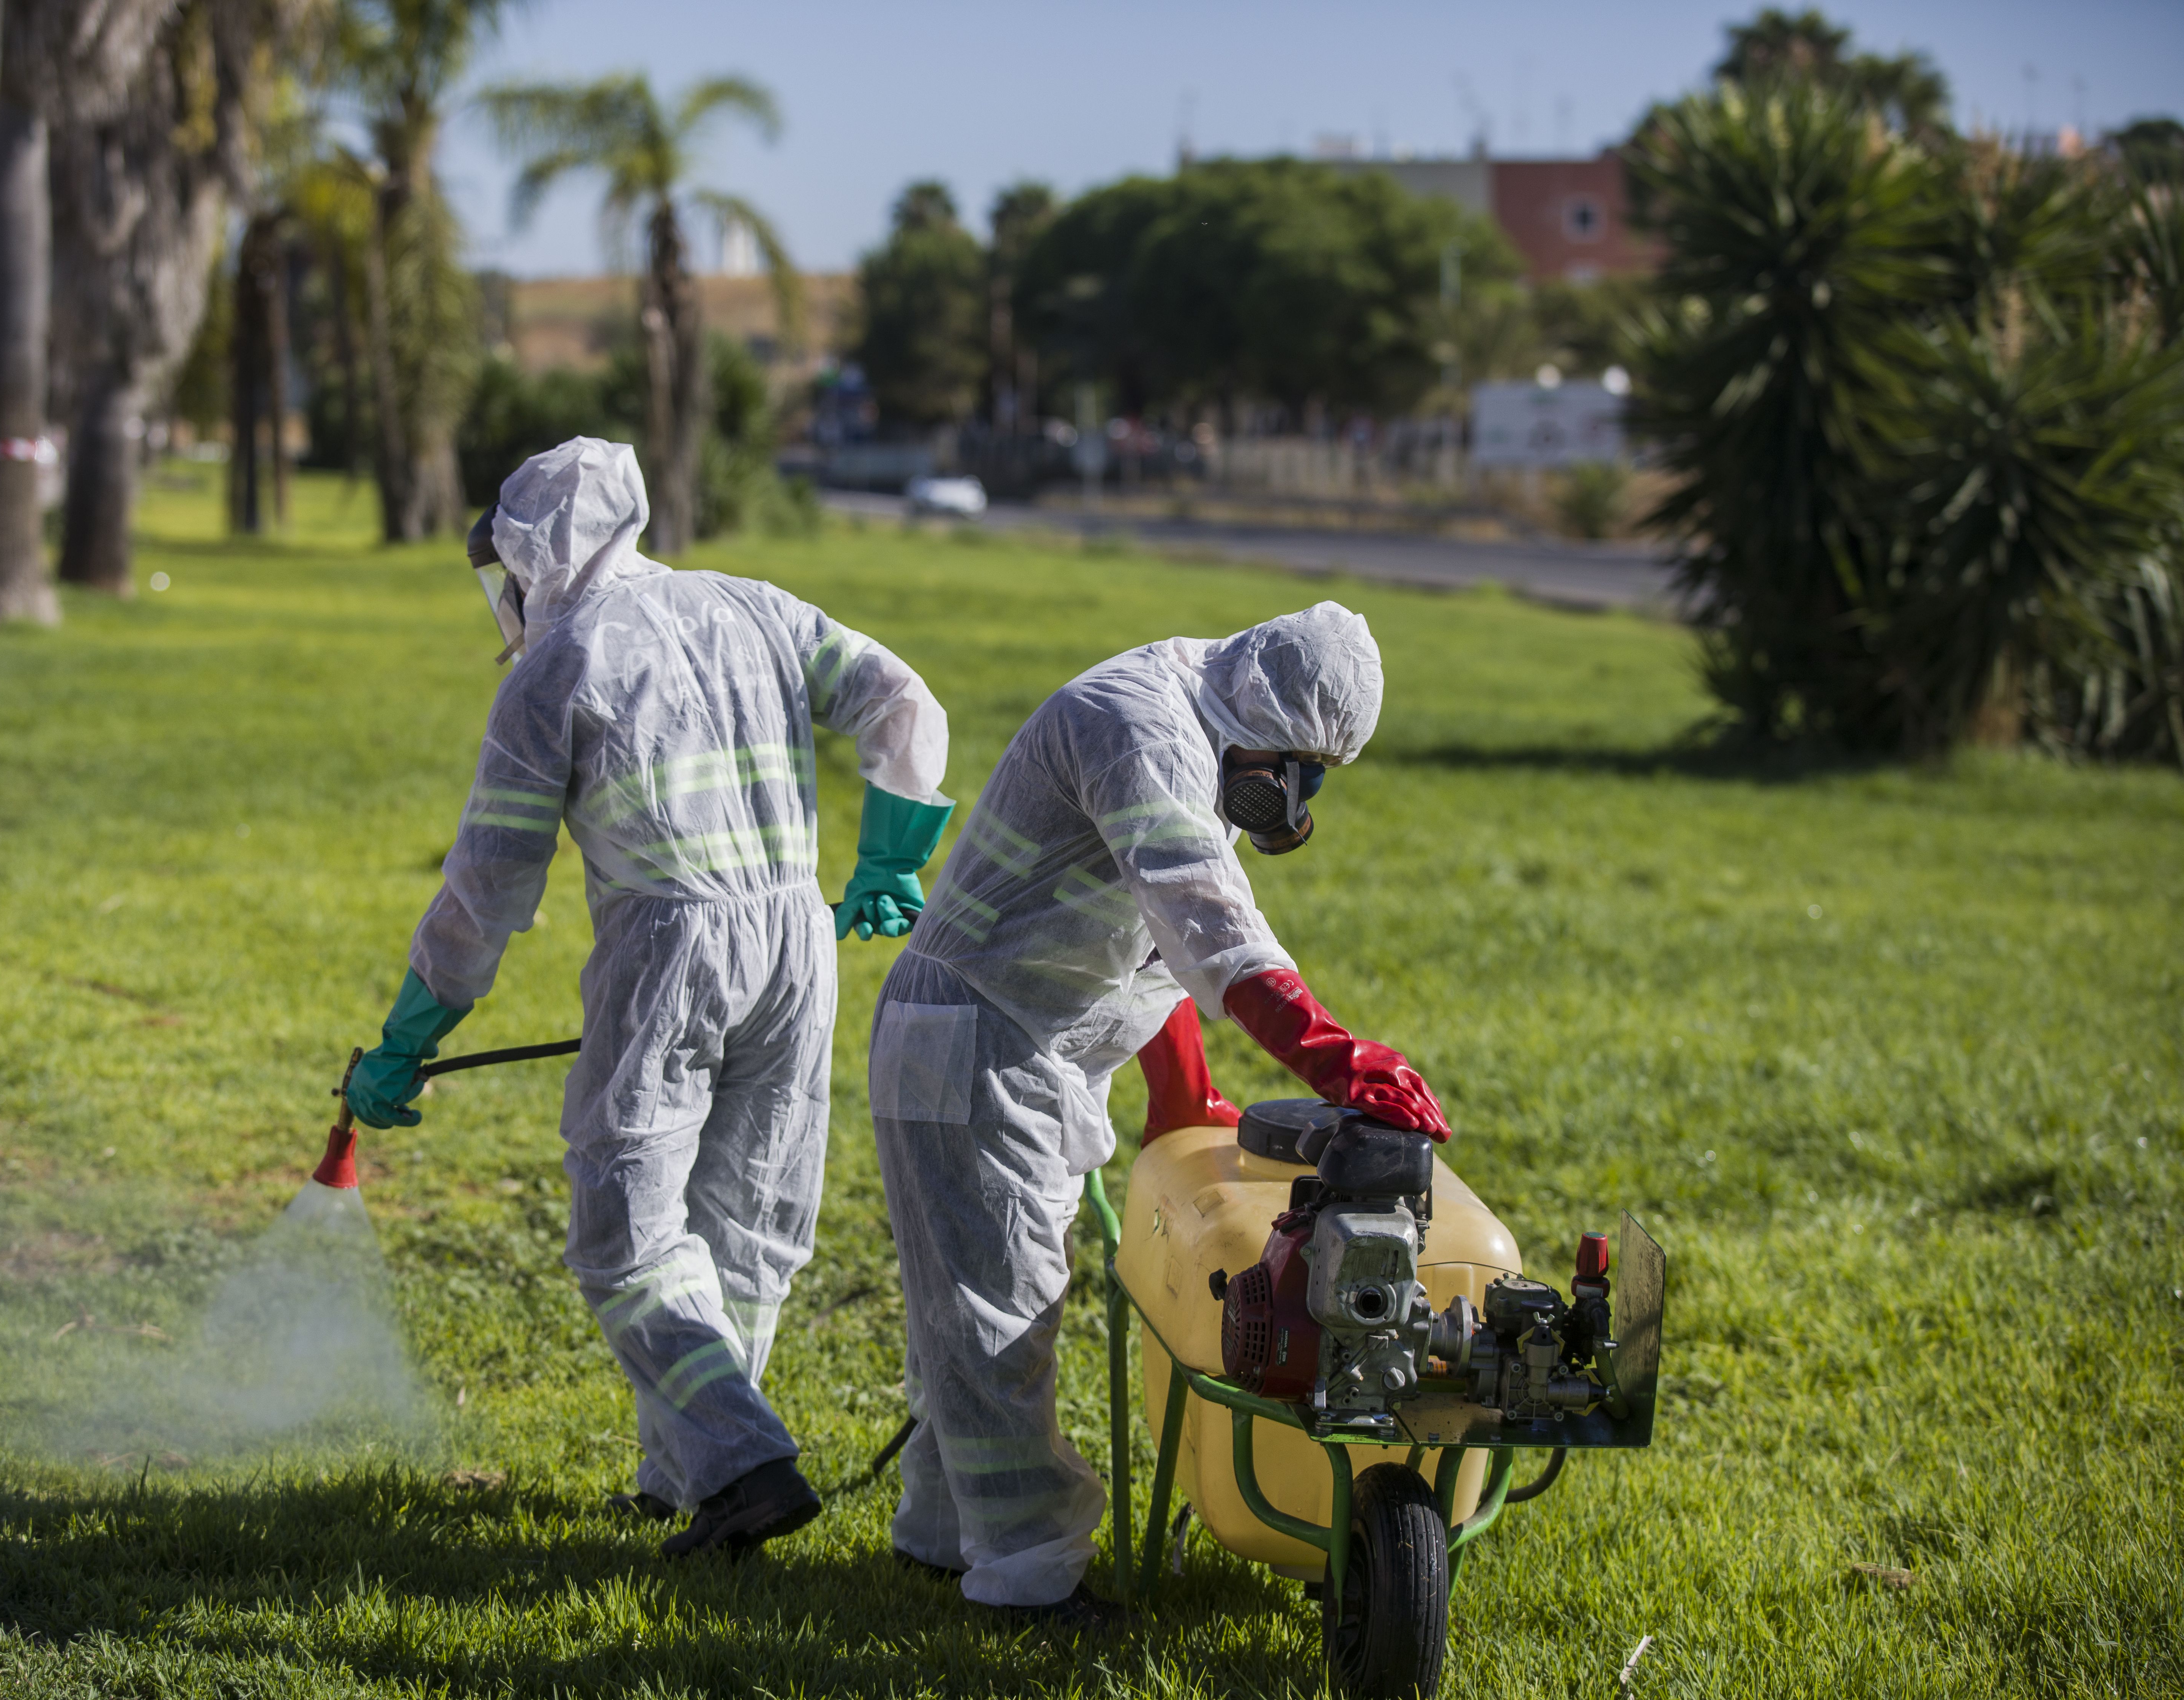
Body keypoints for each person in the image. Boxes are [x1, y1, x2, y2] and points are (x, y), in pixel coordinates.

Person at [346, 438, 953, 1556]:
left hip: (666, 944)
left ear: (534, 553)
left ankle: (741, 1466)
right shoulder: (753, 605)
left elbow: (487, 890)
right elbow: (901, 701)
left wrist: (411, 1029)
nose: (507, 599)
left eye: (506, 574)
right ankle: (687, 1479)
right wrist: (890, 854)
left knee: (624, 1230)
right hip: (794, 945)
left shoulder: (555, 669)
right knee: (748, 1227)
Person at [866, 601, 1448, 1621]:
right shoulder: (1139, 725)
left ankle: (941, 1540)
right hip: (974, 1042)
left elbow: (1150, 926)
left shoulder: (1211, 724)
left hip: (1028, 1045)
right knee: (998, 1318)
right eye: (1302, 770)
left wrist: (1181, 1089)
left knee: (977, 1309)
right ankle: (1026, 1582)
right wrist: (1337, 1058)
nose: (1300, 802)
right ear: (1264, 721)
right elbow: (1204, 921)